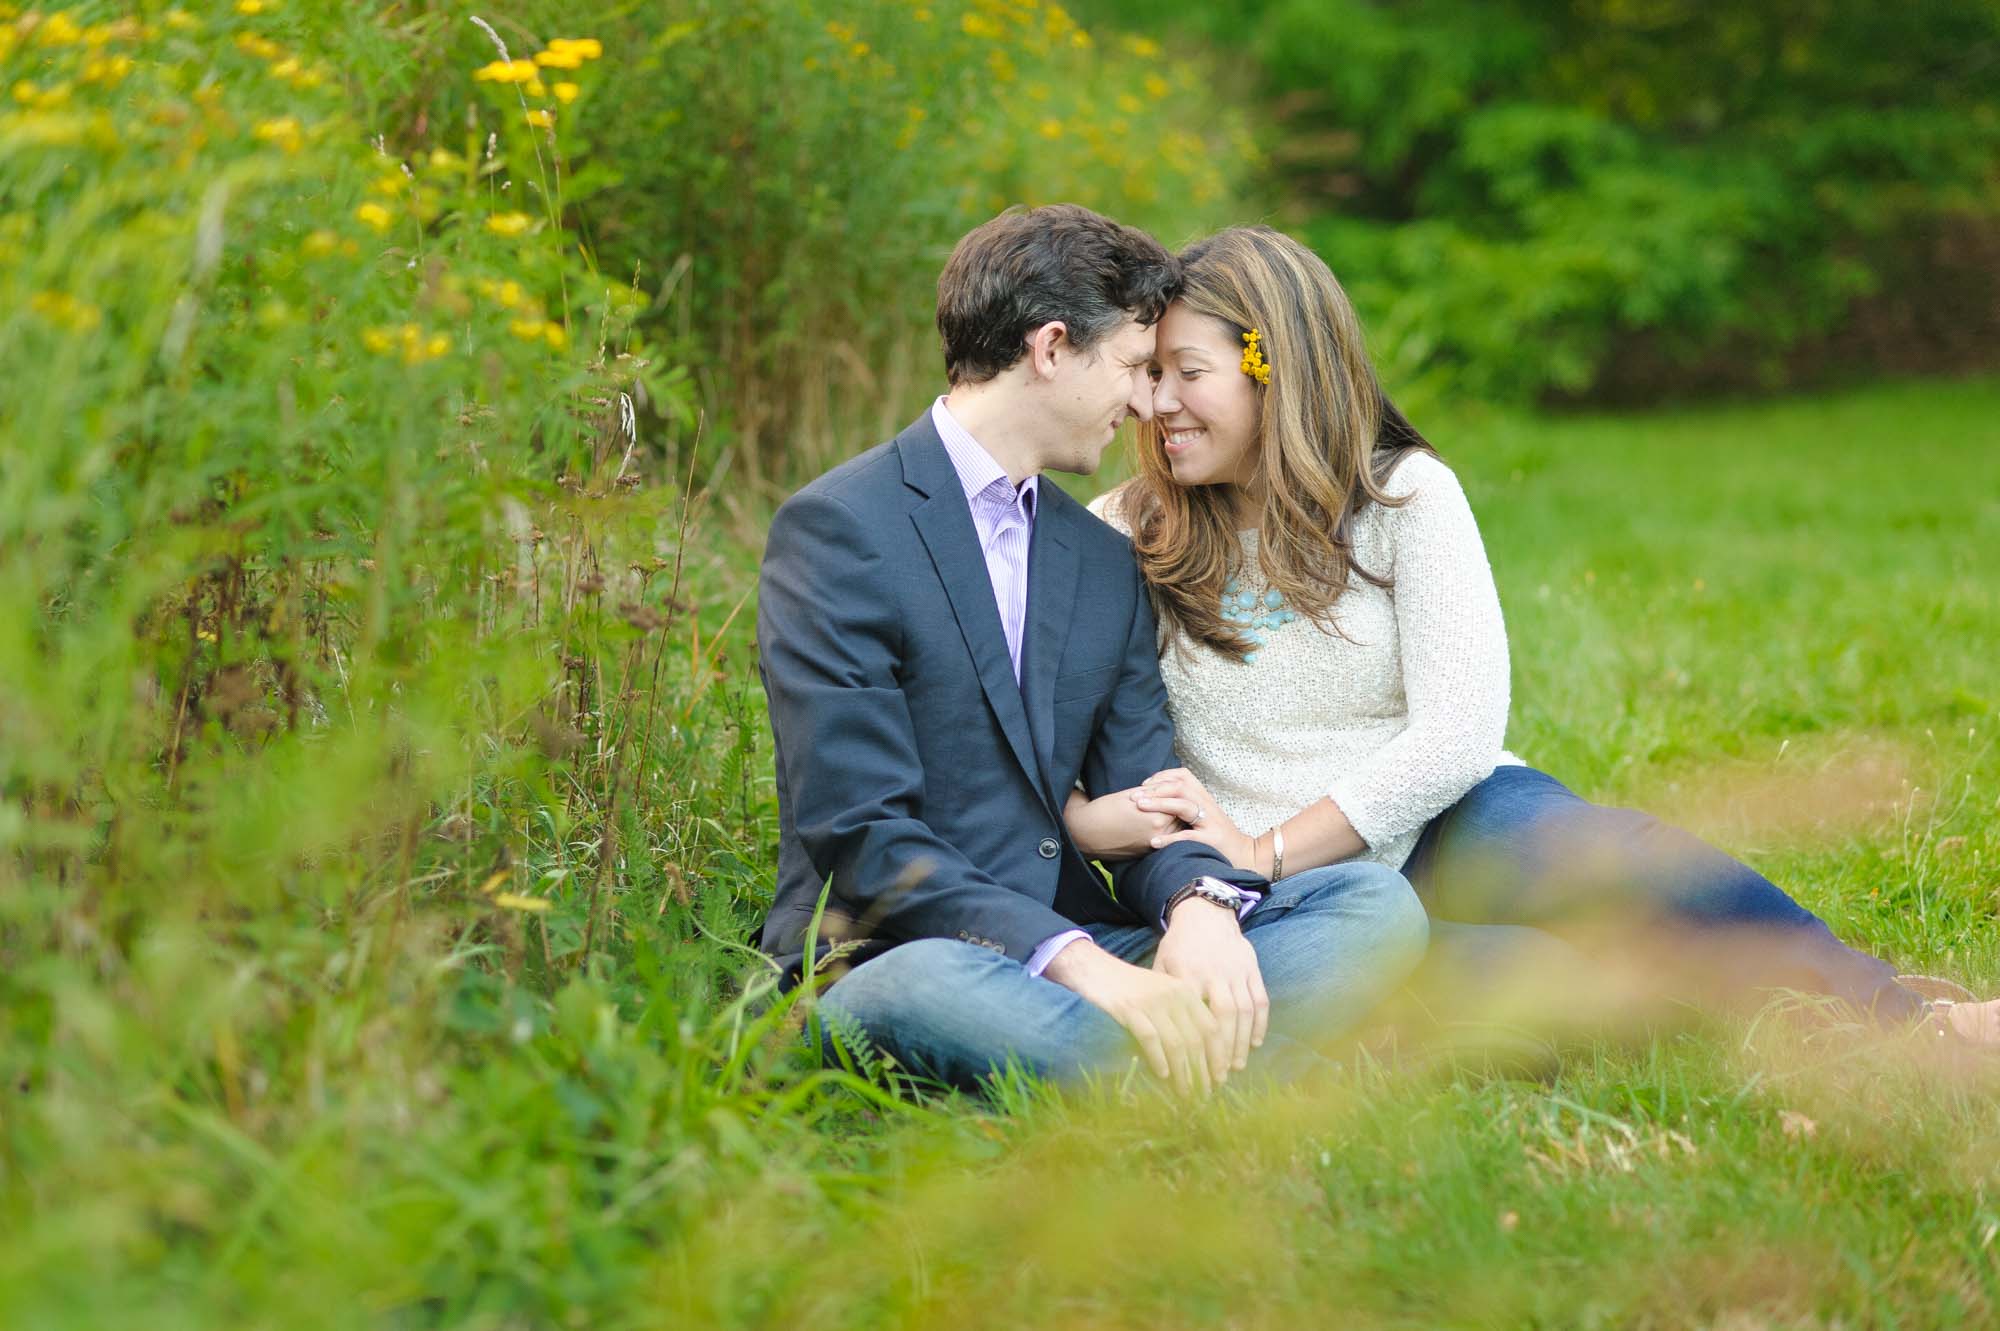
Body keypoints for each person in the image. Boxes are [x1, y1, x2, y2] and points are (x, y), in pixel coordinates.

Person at [1074, 224, 2000, 1045]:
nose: (1158, 404)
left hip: (1443, 821)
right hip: (1287, 899)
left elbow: (1459, 732)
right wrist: (1230, 869)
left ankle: (1916, 1030)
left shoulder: (1405, 498)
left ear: (1280, 368)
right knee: (1569, 995)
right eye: (1149, 374)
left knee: (1629, 872)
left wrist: (1266, 846)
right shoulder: (1122, 529)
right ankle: (1810, 1019)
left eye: (1188, 373)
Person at [753, 206, 1427, 1096]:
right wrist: (1080, 961)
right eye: (1135, 367)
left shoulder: (1104, 557)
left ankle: (1135, 1064)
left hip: (1085, 944)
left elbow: (1146, 792)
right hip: (901, 949)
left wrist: (1197, 904)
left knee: (1371, 906)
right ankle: (1261, 1082)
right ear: (1052, 347)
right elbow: (864, 837)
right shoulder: (841, 530)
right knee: (919, 989)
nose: (1148, 402)